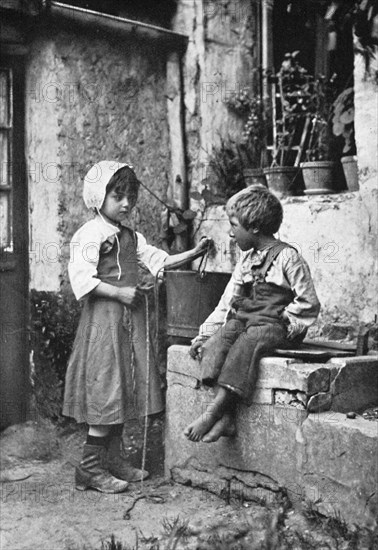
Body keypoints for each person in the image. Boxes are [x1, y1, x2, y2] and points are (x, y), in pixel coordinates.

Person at [63, 160, 211, 493]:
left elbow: (159, 260)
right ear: (98, 196)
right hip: (105, 321)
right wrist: (118, 292)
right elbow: (81, 279)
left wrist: (194, 252)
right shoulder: (89, 234)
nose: (126, 204)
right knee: (107, 389)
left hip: (130, 322)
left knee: (124, 389)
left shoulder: (131, 236)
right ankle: (88, 470)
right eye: (118, 196)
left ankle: (112, 461)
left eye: (130, 196)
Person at [184, 186, 320, 443]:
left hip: (277, 326)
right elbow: (227, 303)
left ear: (254, 227)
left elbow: (309, 302)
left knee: (248, 340)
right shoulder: (246, 261)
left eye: (234, 225)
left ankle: (213, 413)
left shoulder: (288, 258)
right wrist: (205, 334)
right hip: (249, 321)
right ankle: (227, 419)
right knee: (221, 339)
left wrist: (287, 318)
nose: (230, 233)